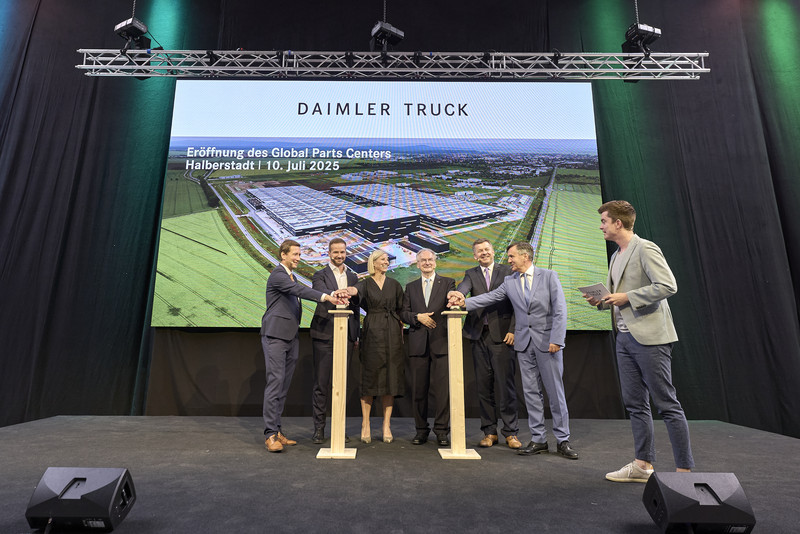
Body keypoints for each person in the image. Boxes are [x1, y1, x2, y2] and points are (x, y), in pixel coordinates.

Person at [584, 200, 693, 482]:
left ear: (618, 223)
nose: (601, 226)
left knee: (666, 404)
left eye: (604, 221)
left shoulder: (645, 248)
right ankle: (643, 465)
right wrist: (601, 300)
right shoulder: (616, 255)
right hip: (624, 337)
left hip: (650, 338)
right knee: (635, 404)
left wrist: (628, 297)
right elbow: (616, 297)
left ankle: (684, 472)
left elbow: (668, 285)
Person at [449, 241, 578, 459]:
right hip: (524, 345)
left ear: (525, 256)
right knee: (530, 394)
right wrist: (463, 302)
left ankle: (563, 440)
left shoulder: (548, 276)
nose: (508, 261)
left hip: (548, 344)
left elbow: (559, 310)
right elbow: (490, 297)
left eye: (511, 257)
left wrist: (557, 338)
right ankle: (539, 440)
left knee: (555, 393)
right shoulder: (510, 281)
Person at [260, 239, 346, 453]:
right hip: (275, 337)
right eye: (295, 255)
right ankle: (270, 435)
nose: (299, 258)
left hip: (290, 337)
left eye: (299, 255)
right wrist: (326, 296)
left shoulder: (291, 275)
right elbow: (299, 291)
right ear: (283, 255)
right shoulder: (279, 275)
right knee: (275, 384)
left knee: (283, 386)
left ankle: (277, 431)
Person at [456, 239, 521, 449]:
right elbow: (463, 288)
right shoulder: (470, 274)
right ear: (475, 256)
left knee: (506, 386)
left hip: (503, 336)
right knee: (484, 387)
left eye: (487, 249)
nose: (484, 253)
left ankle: (511, 433)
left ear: (493, 252)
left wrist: (513, 329)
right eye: (479, 251)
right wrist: (458, 294)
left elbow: (517, 304)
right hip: (478, 336)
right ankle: (489, 432)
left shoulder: (508, 272)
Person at [345, 249, 405, 444]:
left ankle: (386, 425)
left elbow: (402, 309)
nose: (386, 262)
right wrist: (349, 290)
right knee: (369, 377)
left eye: (387, 259)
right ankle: (366, 424)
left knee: (391, 378)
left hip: (392, 333)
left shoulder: (395, 284)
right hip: (371, 332)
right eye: (383, 259)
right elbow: (355, 292)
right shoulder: (364, 284)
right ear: (374, 262)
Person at [401, 249, 456, 447]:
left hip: (441, 342)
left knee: (442, 391)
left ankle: (442, 431)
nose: (426, 263)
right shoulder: (410, 287)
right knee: (418, 390)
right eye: (422, 260)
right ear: (417, 264)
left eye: (430, 259)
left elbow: (452, 307)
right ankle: (421, 430)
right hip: (418, 344)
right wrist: (418, 317)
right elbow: (403, 313)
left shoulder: (448, 283)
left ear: (435, 261)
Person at [309, 238, 360, 444]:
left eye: (342, 252)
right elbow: (319, 293)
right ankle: (319, 429)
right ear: (329, 253)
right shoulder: (319, 275)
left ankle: (339, 426)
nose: (339, 255)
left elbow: (356, 307)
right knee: (322, 384)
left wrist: (355, 335)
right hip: (324, 335)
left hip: (346, 336)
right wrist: (335, 294)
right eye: (336, 252)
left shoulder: (352, 276)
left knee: (342, 383)